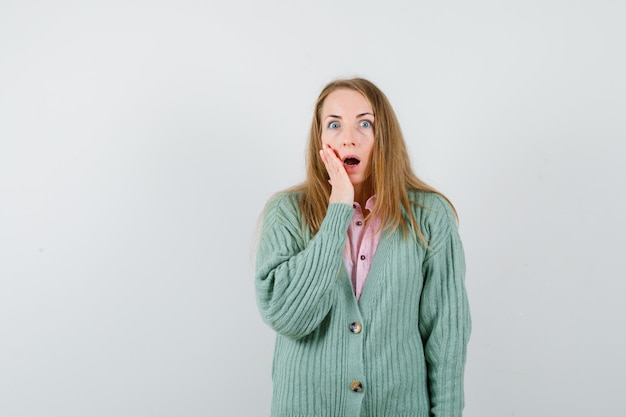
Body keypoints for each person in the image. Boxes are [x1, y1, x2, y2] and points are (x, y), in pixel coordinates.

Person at [254, 77, 471, 417]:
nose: (348, 137)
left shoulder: (428, 216)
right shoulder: (286, 213)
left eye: (365, 124)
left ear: (383, 137)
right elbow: (287, 315)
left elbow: (447, 337)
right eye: (334, 124)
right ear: (319, 139)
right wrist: (338, 206)